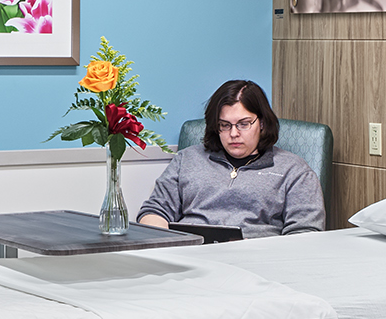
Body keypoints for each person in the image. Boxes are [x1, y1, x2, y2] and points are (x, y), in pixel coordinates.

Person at [138, 79, 325, 238]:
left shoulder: (294, 170)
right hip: (189, 262)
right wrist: (164, 246)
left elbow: (305, 233)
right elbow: (154, 211)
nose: (233, 133)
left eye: (244, 124)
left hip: (257, 266)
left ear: (261, 123)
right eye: (225, 125)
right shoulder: (186, 160)